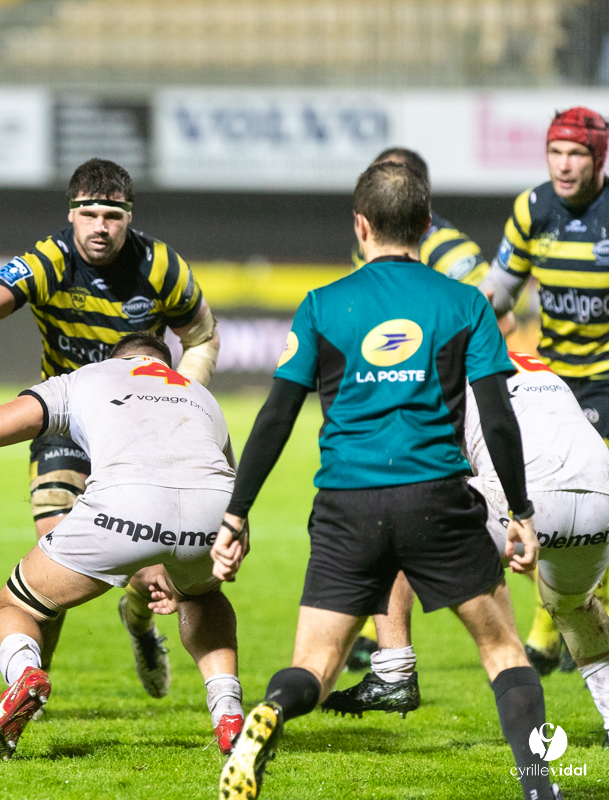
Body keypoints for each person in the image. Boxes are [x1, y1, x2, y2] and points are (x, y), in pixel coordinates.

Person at [214, 162, 559, 800]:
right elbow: (496, 416)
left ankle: (273, 711)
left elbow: (276, 418)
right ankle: (540, 787)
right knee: (503, 651)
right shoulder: (465, 303)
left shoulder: (321, 305)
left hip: (346, 505)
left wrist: (236, 514)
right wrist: (519, 510)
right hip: (437, 497)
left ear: (361, 225)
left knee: (314, 666)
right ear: (426, 226)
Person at [0, 332, 245, 757]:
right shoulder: (200, 395)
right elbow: (230, 486)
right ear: (165, 364)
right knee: (203, 596)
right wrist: (183, 559)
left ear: (115, 359)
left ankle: (25, 674)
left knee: (15, 607)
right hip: (214, 513)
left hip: (123, 505)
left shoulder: (86, 377)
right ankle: (228, 711)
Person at [0, 158, 219, 698]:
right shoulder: (50, 260)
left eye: (113, 216)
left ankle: (139, 622)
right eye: (90, 214)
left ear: (129, 217)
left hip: (139, 432)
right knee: (53, 553)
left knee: (150, 568)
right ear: (71, 213)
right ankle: (31, 685)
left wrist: (178, 400)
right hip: (65, 425)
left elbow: (202, 337)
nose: (101, 227)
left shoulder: (161, 266)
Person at [323, 350, 609, 739]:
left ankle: (393, 670)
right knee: (575, 608)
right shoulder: (530, 362)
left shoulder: (444, 369)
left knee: (393, 519)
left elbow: (431, 460)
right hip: (600, 500)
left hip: (526, 503)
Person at [344, 146, 515, 672]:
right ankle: (385, 646)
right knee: (393, 520)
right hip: (395, 408)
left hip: (447, 410)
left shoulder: (448, 247)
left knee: (488, 522)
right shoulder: (370, 246)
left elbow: (498, 319)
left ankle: (539, 634)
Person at [482, 106, 609, 676]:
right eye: (555, 152)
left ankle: (551, 631)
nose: (563, 164)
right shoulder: (533, 209)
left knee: (599, 505)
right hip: (554, 383)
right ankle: (562, 626)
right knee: (543, 501)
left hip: (607, 379)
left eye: (576, 153)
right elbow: (498, 292)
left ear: (597, 157)